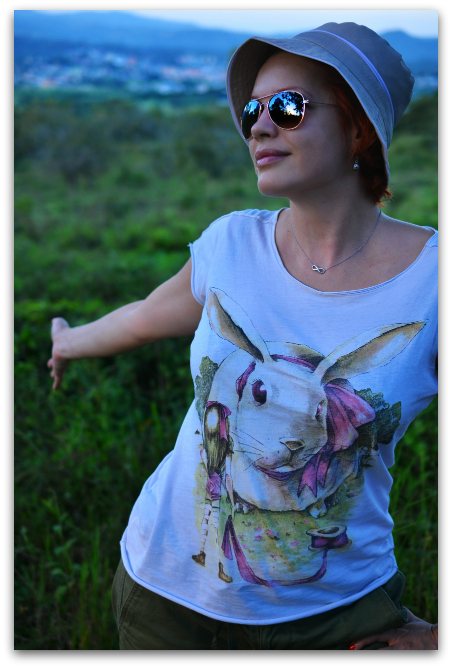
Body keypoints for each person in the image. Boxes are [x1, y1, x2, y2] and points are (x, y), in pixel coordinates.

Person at [48, 22, 438, 650]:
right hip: (162, 598)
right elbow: (145, 316)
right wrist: (67, 341)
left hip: (333, 619)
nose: (257, 128)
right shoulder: (231, 243)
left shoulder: (433, 282)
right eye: (253, 112)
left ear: (360, 129)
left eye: (287, 107)